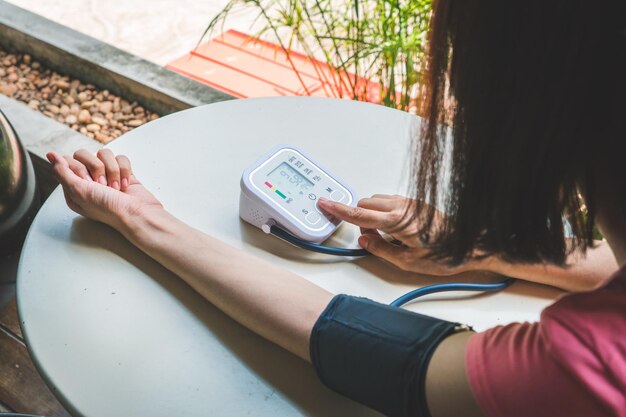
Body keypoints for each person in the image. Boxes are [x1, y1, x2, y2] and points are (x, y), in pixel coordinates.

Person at [47, 1, 624, 416]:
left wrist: (145, 220)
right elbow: (605, 264)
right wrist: (473, 247)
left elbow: (359, 348)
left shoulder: (585, 370)